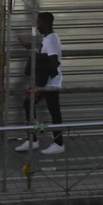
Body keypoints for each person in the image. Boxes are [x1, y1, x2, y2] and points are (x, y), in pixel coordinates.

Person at [17, 12, 65, 154]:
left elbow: (53, 62)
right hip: (49, 83)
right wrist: (32, 49)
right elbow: (48, 57)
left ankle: (51, 142)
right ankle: (38, 139)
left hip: (49, 84)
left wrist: (39, 85)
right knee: (45, 109)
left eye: (39, 23)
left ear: (45, 23)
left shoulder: (50, 40)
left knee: (34, 106)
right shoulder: (50, 39)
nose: (37, 27)